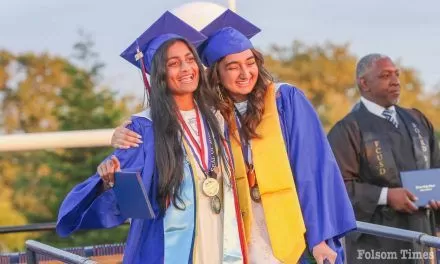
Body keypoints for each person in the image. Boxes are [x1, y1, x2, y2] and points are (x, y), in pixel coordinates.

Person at [112, 10, 356, 264]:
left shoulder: (285, 101)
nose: (245, 73)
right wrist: (119, 134)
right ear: (216, 72)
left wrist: (320, 238)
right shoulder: (211, 114)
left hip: (289, 230)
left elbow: (313, 172)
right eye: (233, 66)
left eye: (250, 62)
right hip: (234, 234)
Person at [56, 11, 246, 264]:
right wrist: (108, 179)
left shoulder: (219, 116)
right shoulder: (144, 127)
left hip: (225, 232)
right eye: (173, 63)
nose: (186, 68)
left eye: (190, 59)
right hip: (169, 242)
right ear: (158, 74)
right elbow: (127, 188)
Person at [327, 53, 440, 263]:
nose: (396, 81)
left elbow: (436, 168)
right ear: (364, 83)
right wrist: (385, 195)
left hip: (421, 236)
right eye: (385, 75)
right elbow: (336, 188)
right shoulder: (348, 130)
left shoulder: (417, 120)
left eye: (396, 74)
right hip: (377, 244)